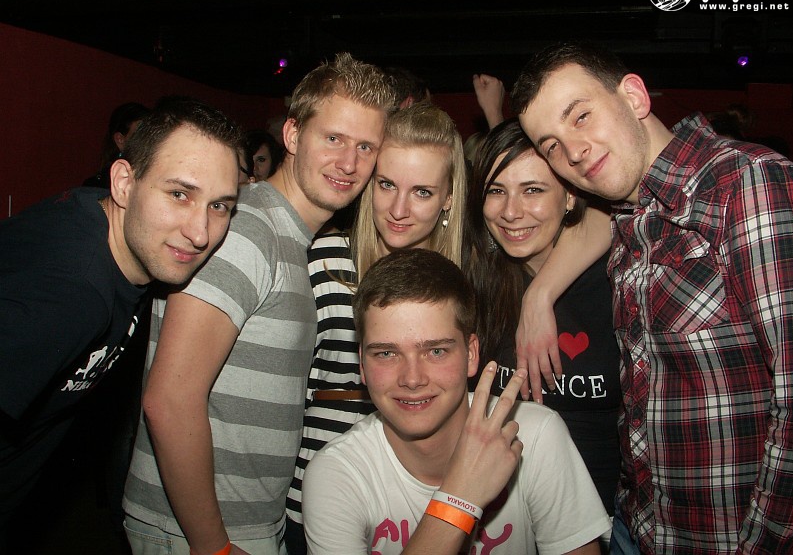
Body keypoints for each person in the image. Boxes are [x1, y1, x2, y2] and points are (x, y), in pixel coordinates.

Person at [511, 41, 793, 553]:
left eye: (581, 116)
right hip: (640, 526)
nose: (572, 151)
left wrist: (765, 545)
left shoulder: (744, 182)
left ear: (634, 96)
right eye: (551, 145)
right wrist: (538, 294)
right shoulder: (628, 218)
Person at [122, 53, 394, 555]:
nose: (348, 163)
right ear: (292, 135)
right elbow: (170, 401)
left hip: (237, 524)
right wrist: (214, 545)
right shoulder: (248, 229)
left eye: (365, 146)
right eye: (333, 138)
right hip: (198, 530)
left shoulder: (285, 235)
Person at [0, 96, 243, 541]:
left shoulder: (104, 231)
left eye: (219, 206)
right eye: (179, 194)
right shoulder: (72, 291)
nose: (200, 233)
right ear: (124, 184)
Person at [303, 249, 611, 554]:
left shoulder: (534, 436)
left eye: (436, 351)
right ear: (362, 363)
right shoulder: (337, 476)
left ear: (471, 354)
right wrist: (460, 495)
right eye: (386, 353)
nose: (412, 379)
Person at [285, 101, 467, 553]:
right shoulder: (325, 261)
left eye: (422, 192)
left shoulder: (464, 280)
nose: (399, 209)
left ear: (448, 198)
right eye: (386, 184)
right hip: (323, 501)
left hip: (434, 501)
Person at [463, 119, 621, 528]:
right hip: (499, 523)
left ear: (570, 196)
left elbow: (614, 209)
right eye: (496, 191)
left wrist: (539, 295)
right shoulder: (476, 281)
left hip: (604, 518)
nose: (510, 212)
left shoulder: (615, 281)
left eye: (532, 190)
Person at [84, 101, 151, 188]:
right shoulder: (99, 187)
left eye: (150, 134)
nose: (147, 141)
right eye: (140, 135)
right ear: (120, 140)